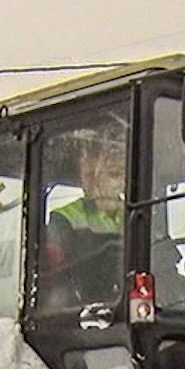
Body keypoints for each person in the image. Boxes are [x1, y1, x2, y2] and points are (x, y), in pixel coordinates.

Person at [39, 129, 127, 310]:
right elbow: (54, 278)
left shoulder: (136, 216)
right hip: (83, 314)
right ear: (90, 177)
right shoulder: (64, 219)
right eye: (115, 175)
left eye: (124, 176)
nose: (121, 185)